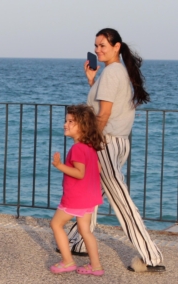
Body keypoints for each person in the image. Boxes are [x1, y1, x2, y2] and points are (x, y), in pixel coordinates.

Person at [64, 28, 166, 272]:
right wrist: (91, 80)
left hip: (105, 142)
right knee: (92, 191)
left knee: (121, 200)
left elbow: (104, 113)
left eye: (103, 46)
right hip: (116, 142)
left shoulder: (112, 73)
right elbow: (105, 104)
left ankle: (151, 256)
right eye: (96, 45)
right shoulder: (115, 72)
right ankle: (78, 241)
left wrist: (88, 140)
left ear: (117, 46)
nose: (98, 50)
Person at [50, 104, 105, 276]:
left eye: (71, 121)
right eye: (66, 120)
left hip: (76, 198)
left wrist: (60, 166)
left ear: (83, 126)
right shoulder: (90, 147)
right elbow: (99, 169)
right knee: (84, 230)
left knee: (56, 224)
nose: (65, 124)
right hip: (89, 198)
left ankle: (68, 261)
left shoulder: (77, 148)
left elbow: (79, 173)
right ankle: (96, 267)